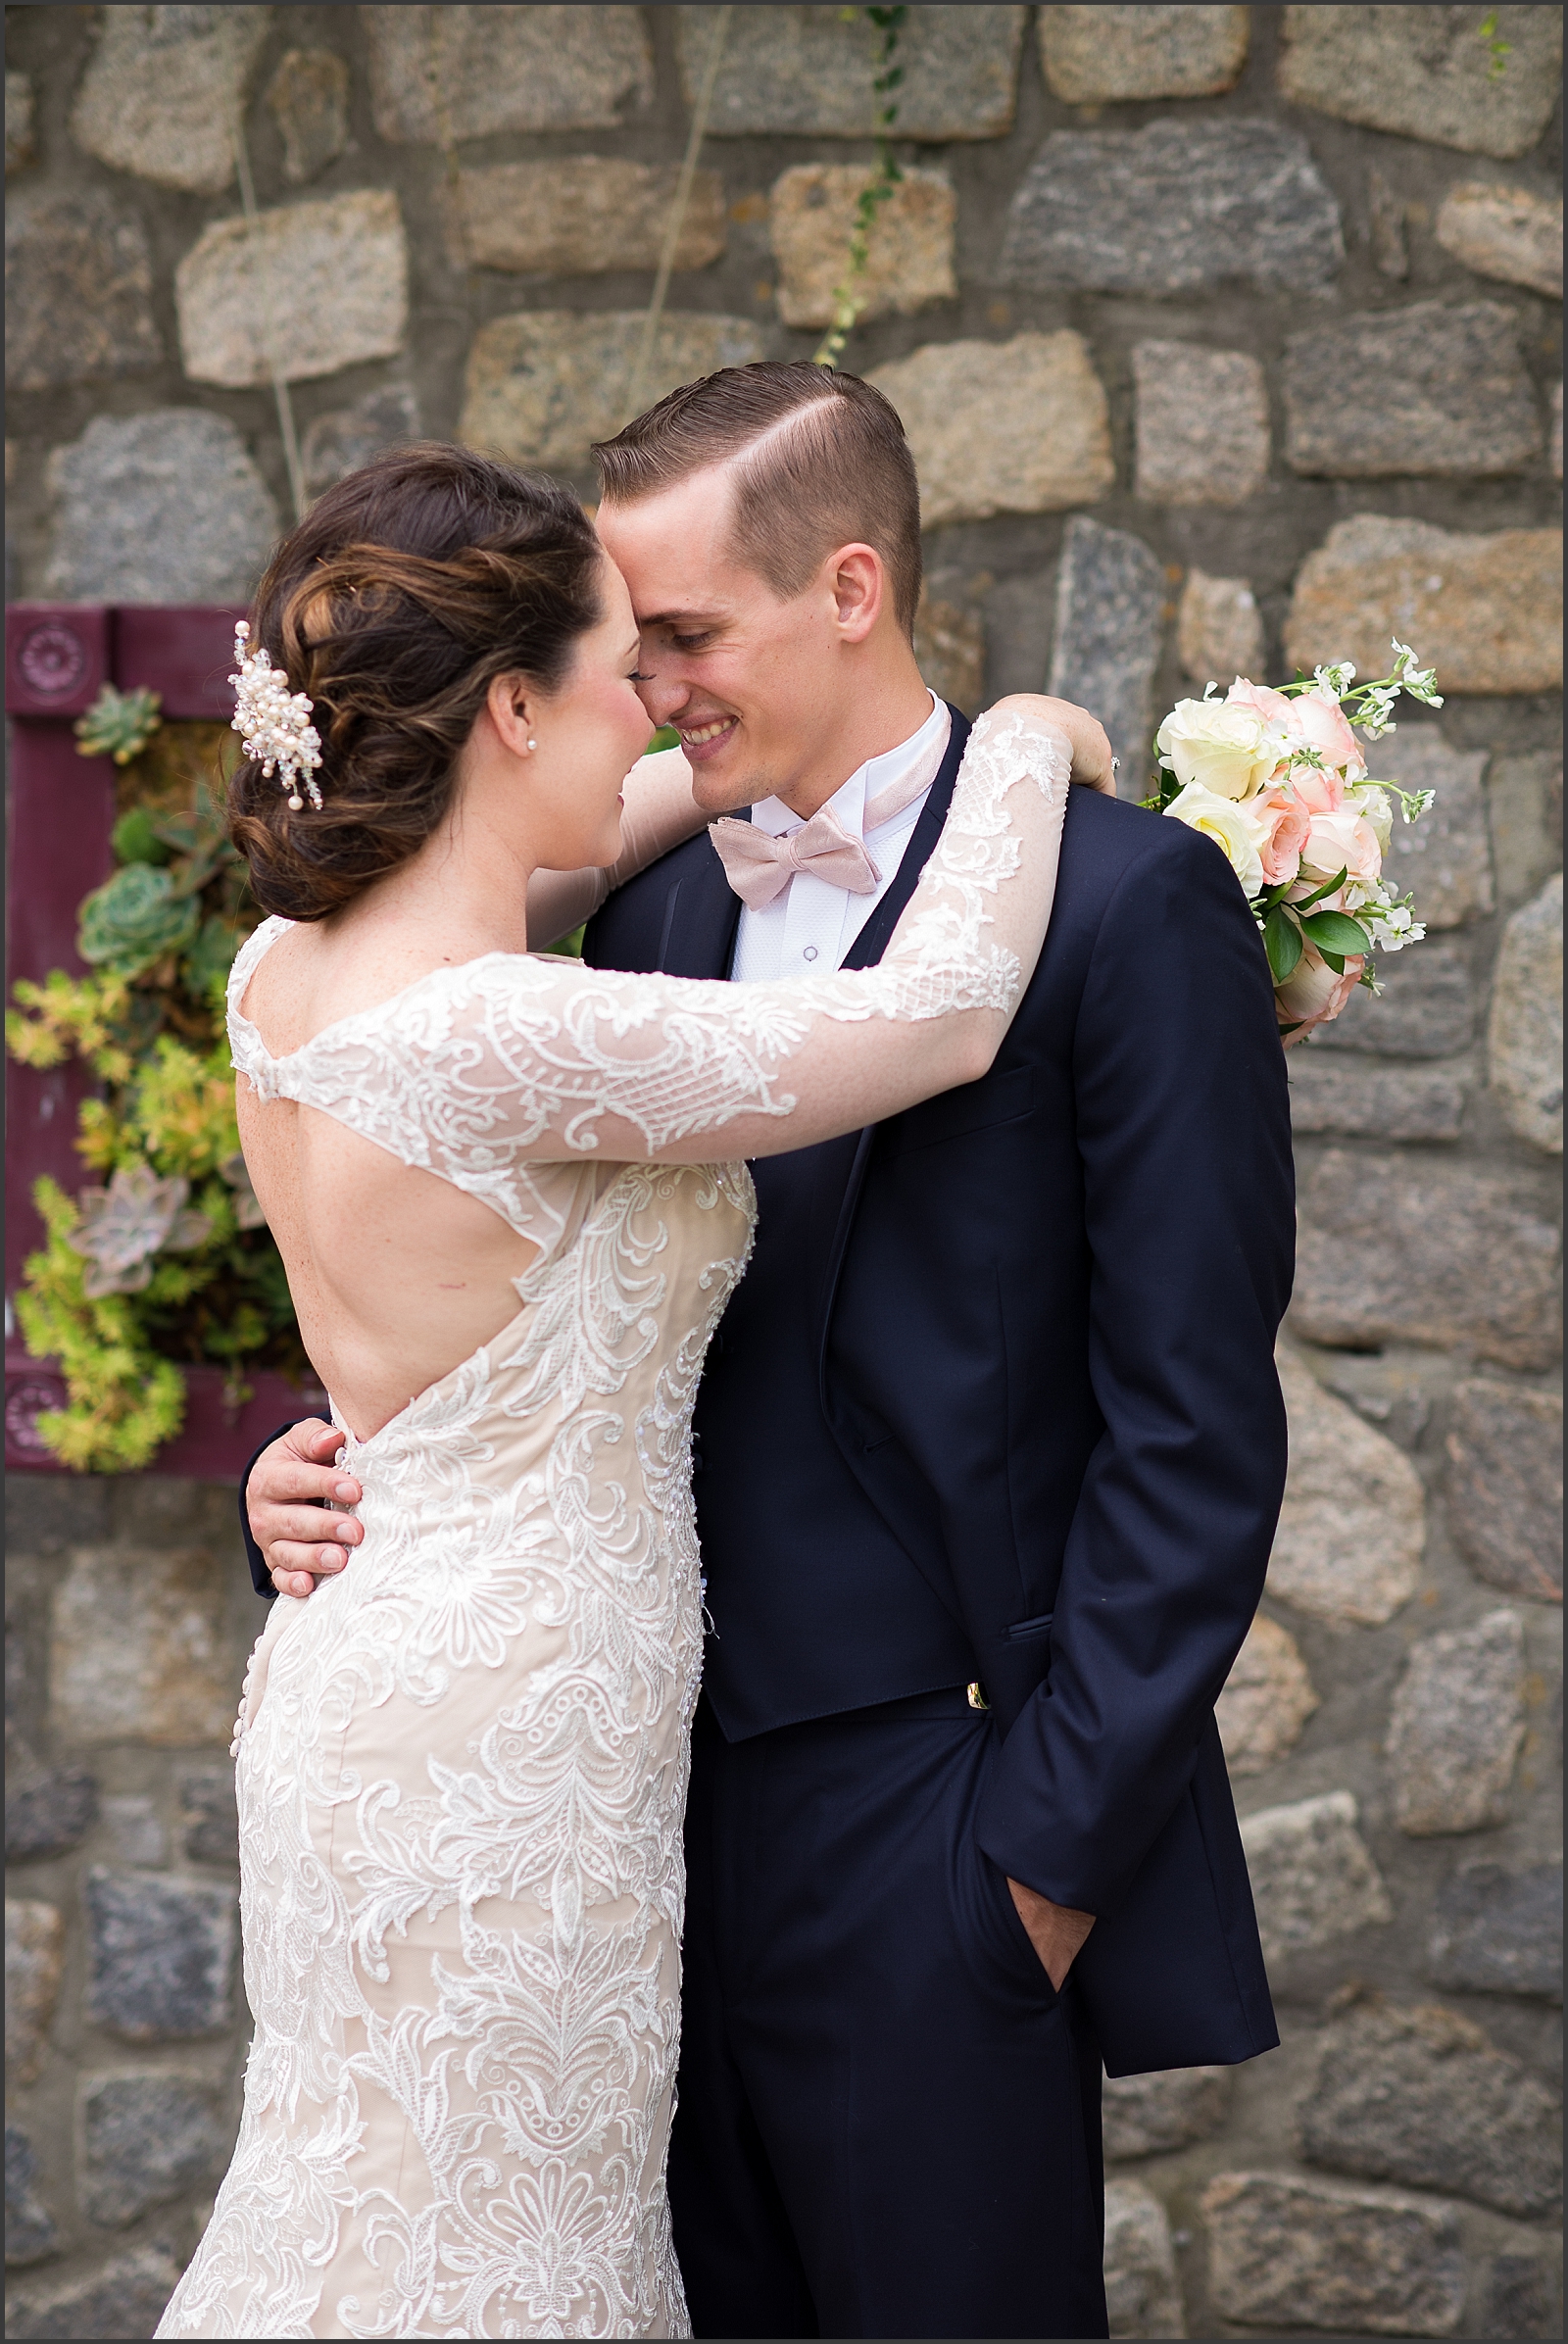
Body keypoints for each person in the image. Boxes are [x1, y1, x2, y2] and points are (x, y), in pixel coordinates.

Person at [238, 365, 1295, 2343]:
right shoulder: (621, 917)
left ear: (849, 585)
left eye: (686, 635)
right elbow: (501, 1284)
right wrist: (307, 1470)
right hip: (583, 1844)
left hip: (930, 1826)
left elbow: (1194, 1434)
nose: (649, 687)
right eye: (623, 648)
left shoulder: (1129, 910)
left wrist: (1031, 1864)